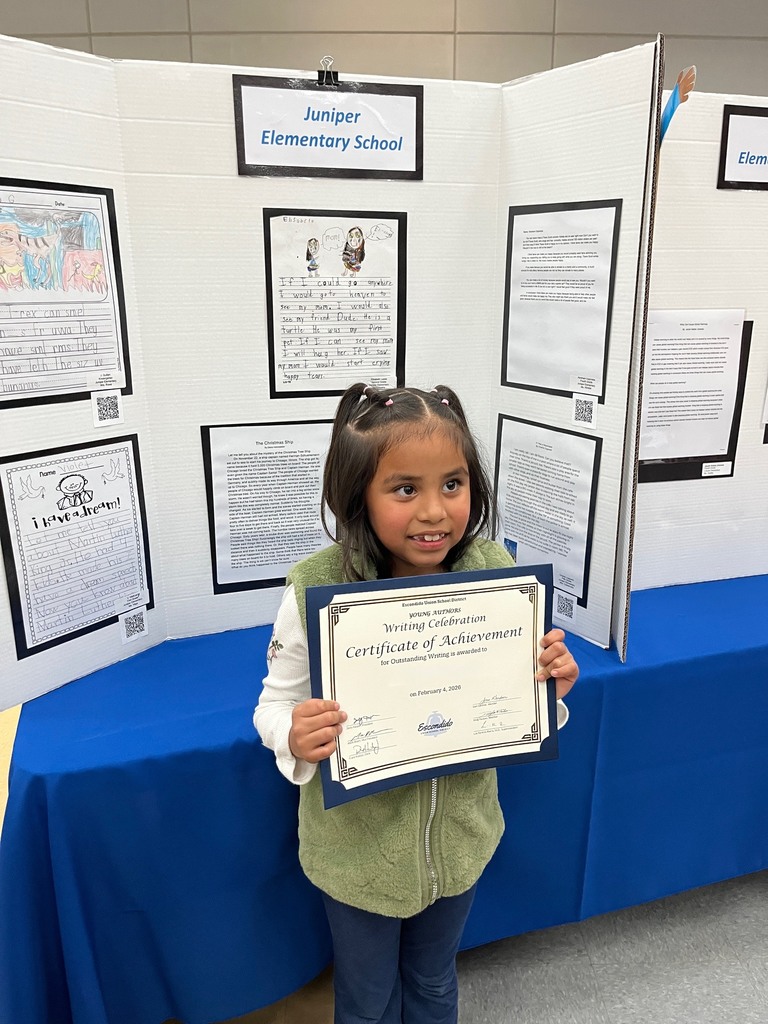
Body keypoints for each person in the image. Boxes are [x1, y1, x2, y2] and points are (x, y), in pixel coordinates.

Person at [254, 382, 579, 1024]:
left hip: (459, 845)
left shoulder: (494, 573)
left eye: (452, 485)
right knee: (369, 999)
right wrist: (292, 735)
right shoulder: (315, 590)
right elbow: (273, 704)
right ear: (357, 497)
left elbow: (520, 709)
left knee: (433, 982)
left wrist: (551, 690)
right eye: (405, 490)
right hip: (358, 857)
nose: (434, 511)